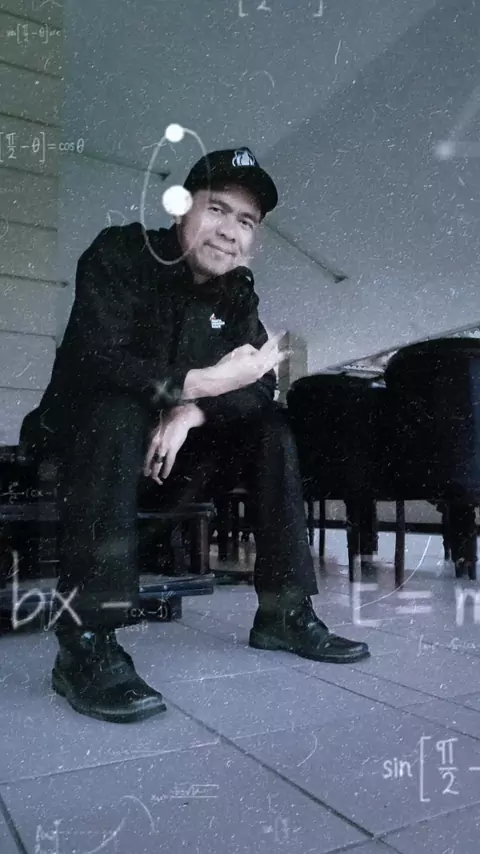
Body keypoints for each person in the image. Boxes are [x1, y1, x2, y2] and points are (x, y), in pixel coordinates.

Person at [20, 146, 370, 724]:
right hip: (81, 447)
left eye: (246, 221)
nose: (230, 231)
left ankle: (284, 612)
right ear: (182, 207)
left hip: (166, 458)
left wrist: (193, 411)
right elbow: (95, 360)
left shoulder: (237, 293)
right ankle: (86, 643)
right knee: (117, 408)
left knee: (270, 427)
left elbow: (259, 385)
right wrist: (199, 381)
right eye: (217, 209)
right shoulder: (121, 253)